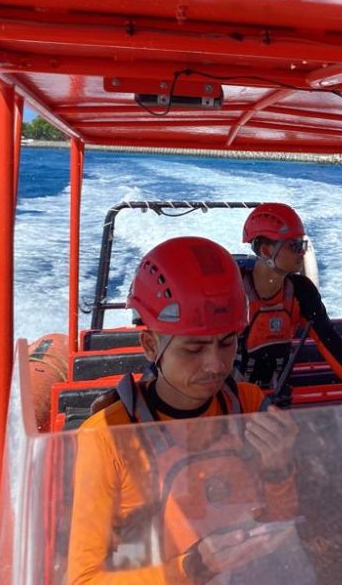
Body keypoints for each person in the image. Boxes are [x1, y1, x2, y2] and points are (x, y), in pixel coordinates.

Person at [68, 236, 301, 584]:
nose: (215, 365)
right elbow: (84, 579)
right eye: (193, 349)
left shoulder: (248, 405)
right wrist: (192, 568)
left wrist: (279, 469)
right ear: (150, 346)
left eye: (227, 343)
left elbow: (282, 525)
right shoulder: (109, 436)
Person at [239, 203, 342, 387]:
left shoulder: (301, 291)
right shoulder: (232, 289)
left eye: (303, 244)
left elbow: (327, 339)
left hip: (274, 399)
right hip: (230, 403)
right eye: (295, 246)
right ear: (266, 251)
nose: (303, 252)